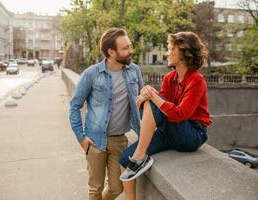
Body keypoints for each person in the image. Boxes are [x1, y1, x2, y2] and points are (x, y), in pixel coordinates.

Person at [118, 31, 212, 199]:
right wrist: (144, 96)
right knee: (124, 159)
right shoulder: (170, 78)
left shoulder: (197, 80)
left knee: (154, 100)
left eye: (170, 48)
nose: (167, 52)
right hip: (168, 131)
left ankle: (140, 157)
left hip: (191, 134)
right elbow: (156, 107)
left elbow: (179, 114)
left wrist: (152, 96)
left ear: (184, 52)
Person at [69, 28, 143, 200]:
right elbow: (74, 106)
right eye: (125, 48)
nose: (130, 51)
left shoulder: (134, 71)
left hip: (119, 140)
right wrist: (81, 138)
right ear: (111, 52)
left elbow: (142, 103)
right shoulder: (92, 74)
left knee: (117, 188)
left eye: (130, 46)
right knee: (95, 188)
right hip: (95, 141)